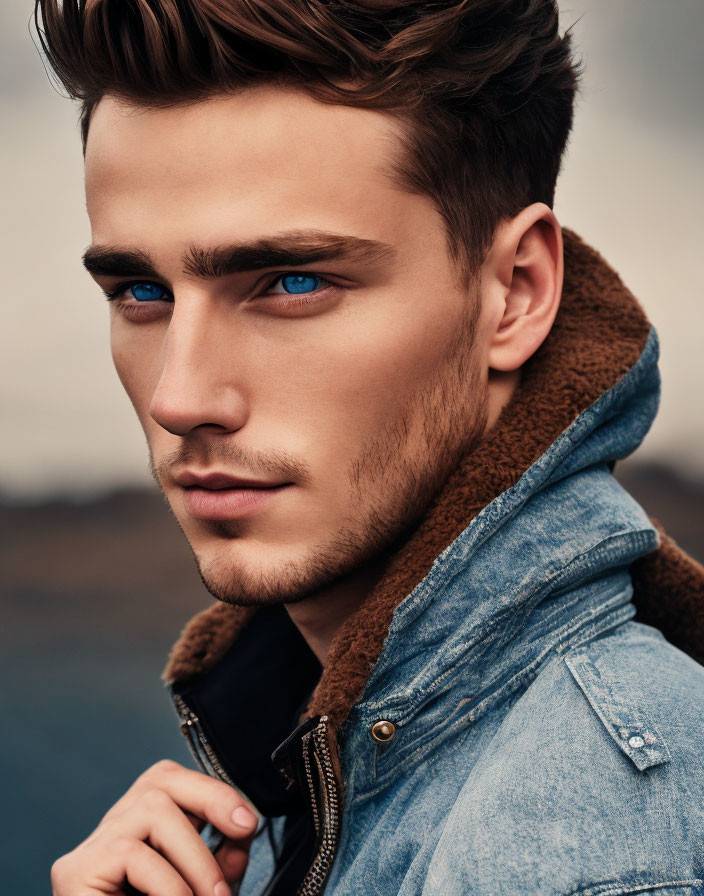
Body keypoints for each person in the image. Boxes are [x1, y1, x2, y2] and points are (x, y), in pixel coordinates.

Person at [35, 0, 704, 893]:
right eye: (140, 291)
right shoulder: (339, 756)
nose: (179, 397)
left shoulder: (588, 835)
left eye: (293, 281)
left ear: (513, 292)